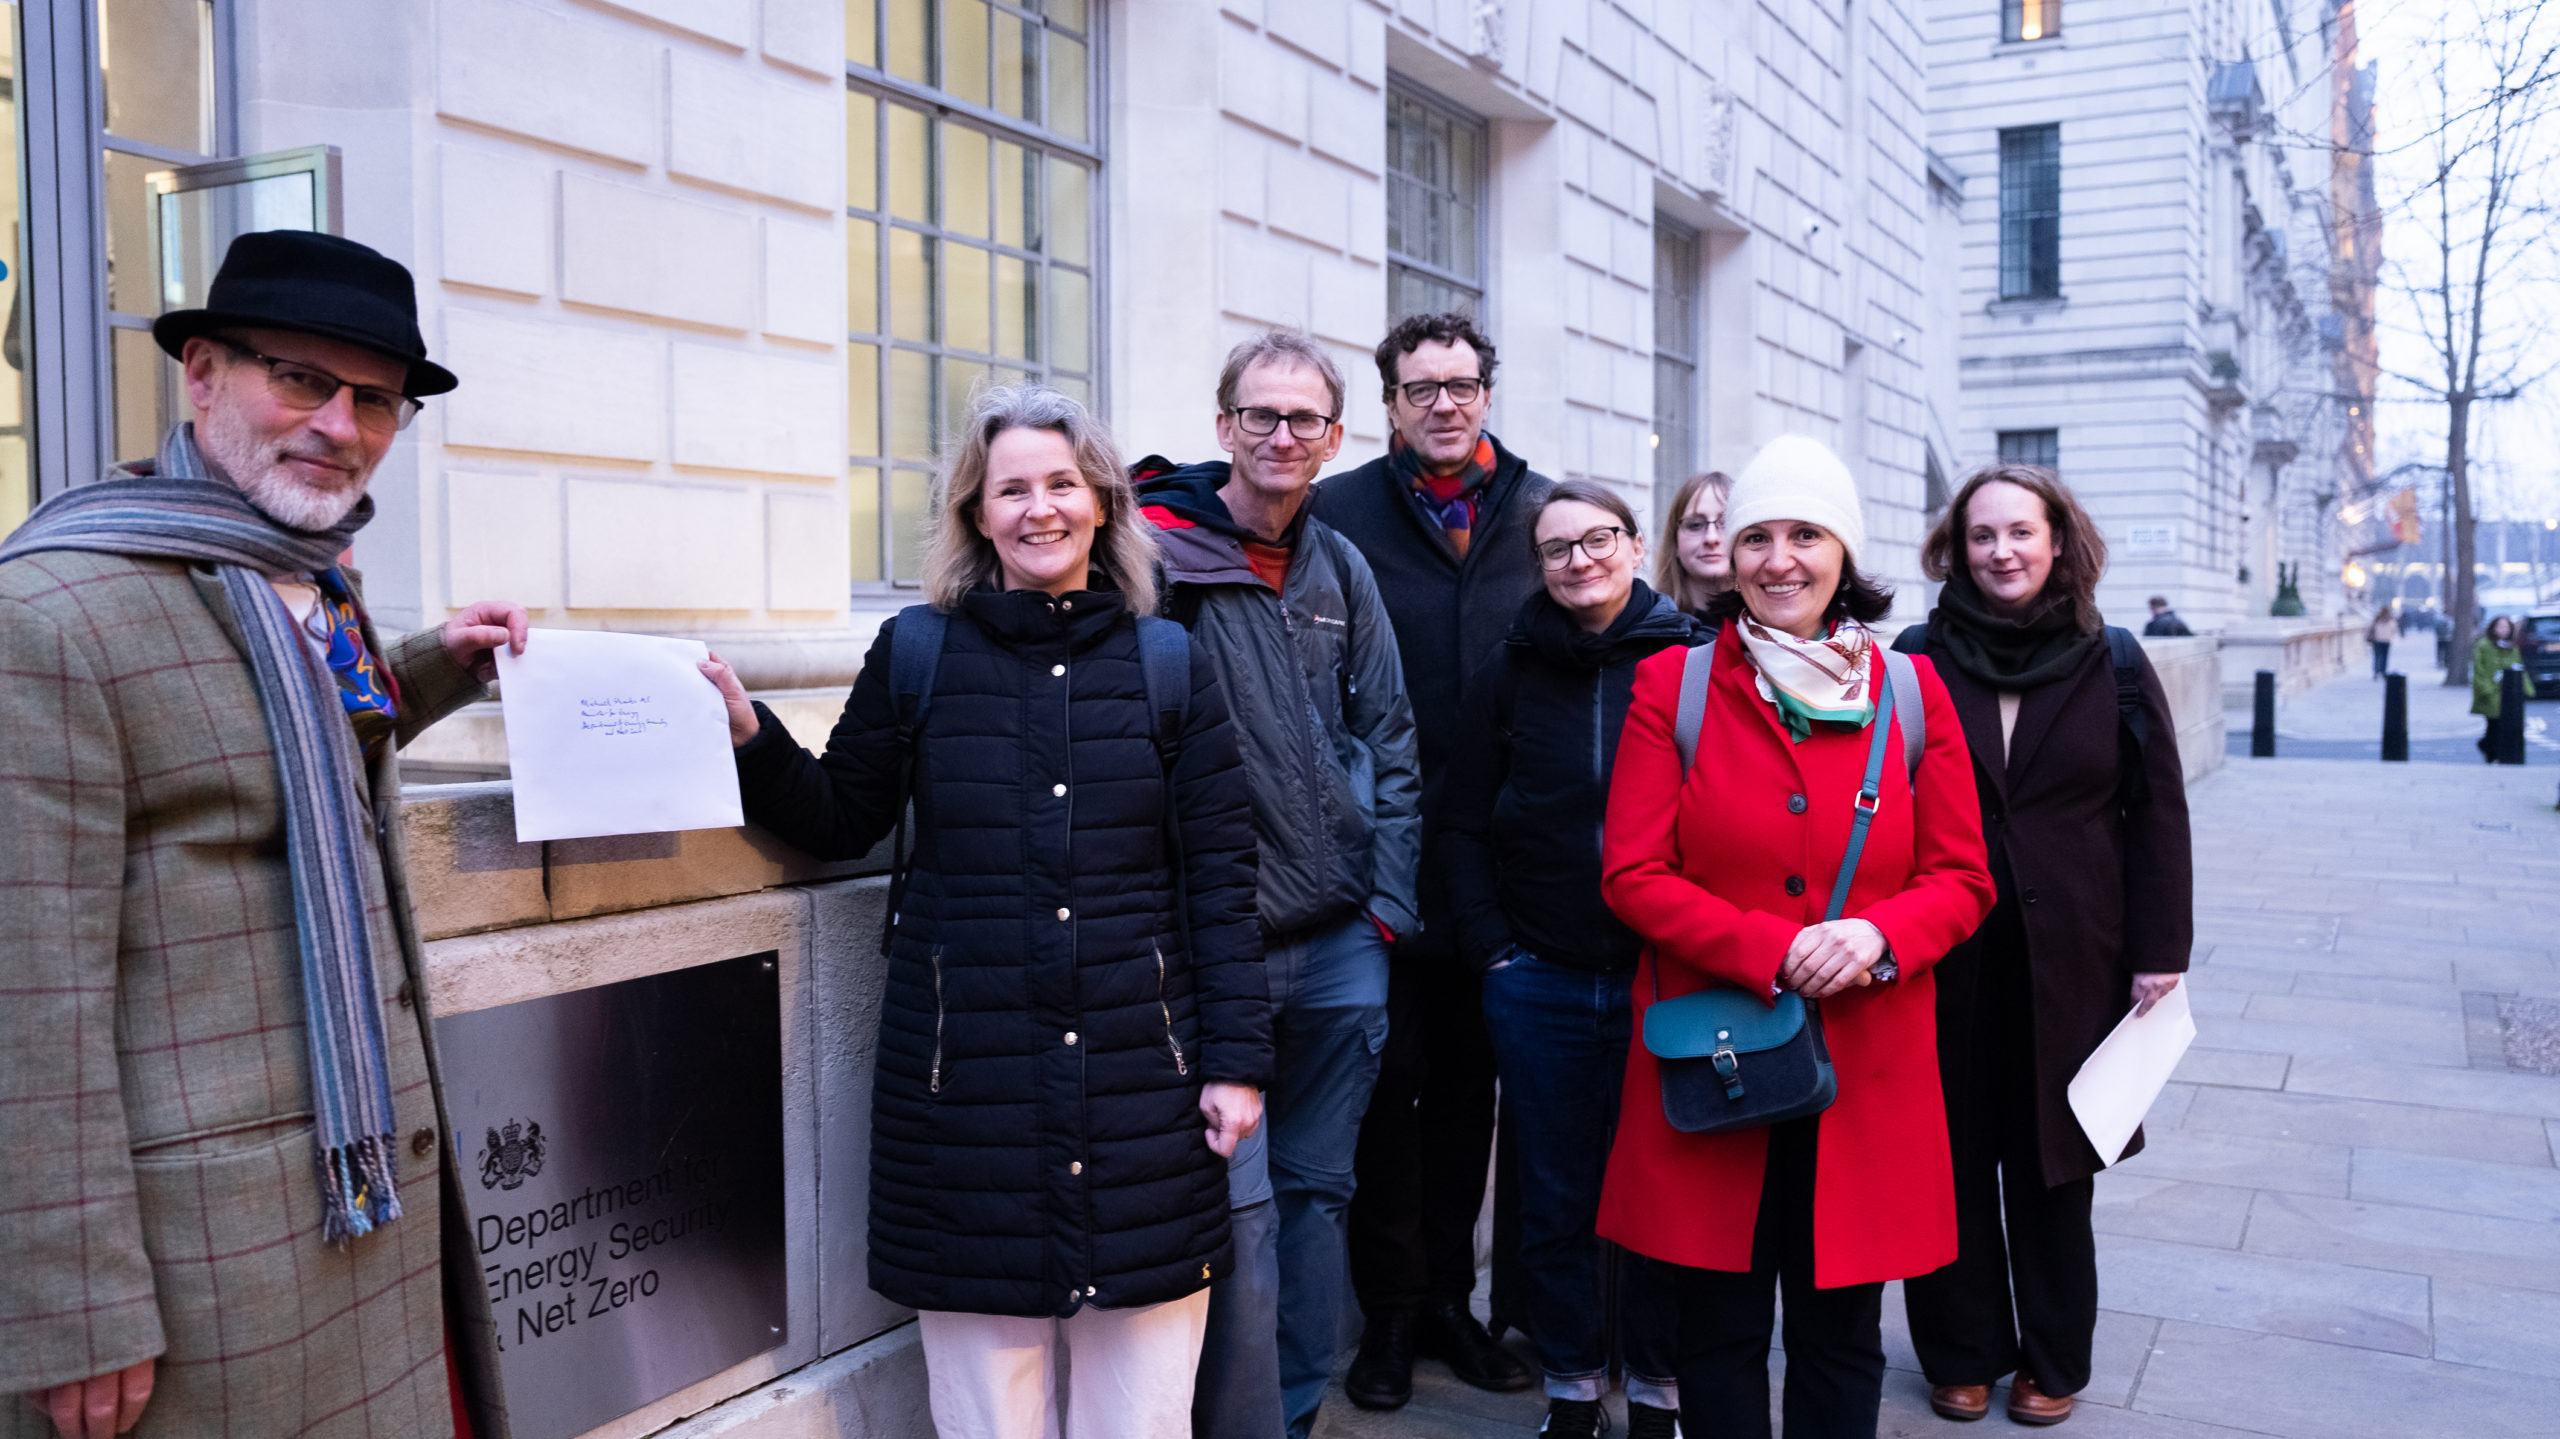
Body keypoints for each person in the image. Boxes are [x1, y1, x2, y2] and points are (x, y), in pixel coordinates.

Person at [0, 230, 528, 1438]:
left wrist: (438, 665)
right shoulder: (48, 616)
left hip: (366, 1207)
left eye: (376, 399)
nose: (338, 424)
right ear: (200, 373)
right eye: (299, 378)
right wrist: (74, 1305)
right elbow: (28, 991)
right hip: (207, 1259)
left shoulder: (308, 580)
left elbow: (280, 735)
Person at [698, 385, 1270, 1439]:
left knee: (1139, 1417)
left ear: (1102, 502)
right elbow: (837, 815)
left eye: (1060, 483)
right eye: (1010, 488)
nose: (1038, 508)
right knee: (985, 1420)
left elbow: (1220, 883)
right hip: (964, 1098)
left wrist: (1235, 1063)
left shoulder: (1168, 664)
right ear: (975, 513)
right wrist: (749, 734)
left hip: (1144, 1088)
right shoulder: (918, 653)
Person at [1596, 435, 1996, 1439]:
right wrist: (1766, 945)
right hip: (1721, 1042)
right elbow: (1632, 873)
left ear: (1843, 556)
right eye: (1757, 536)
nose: (1779, 558)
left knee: (1840, 1328)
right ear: (1727, 556)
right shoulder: (1672, 687)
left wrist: (1875, 934)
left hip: (1866, 1060)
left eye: (1805, 534)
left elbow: (1962, 877)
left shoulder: (1912, 692)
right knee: (1718, 1326)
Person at [1134, 331, 1422, 1439]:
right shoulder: (1159, 560)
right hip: (1222, 945)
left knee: (1316, 1196)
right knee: (1240, 1212)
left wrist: (1388, 908)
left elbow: (1389, 736)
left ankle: (1295, 1410)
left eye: (1305, 419)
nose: (1282, 435)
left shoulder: (1338, 566)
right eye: (1261, 415)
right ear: (1224, 428)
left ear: (1335, 437)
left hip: (1346, 937)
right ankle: (1229, 1420)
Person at [1891, 464, 2193, 1427]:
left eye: (2021, 532)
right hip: (1946, 955)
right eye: (1982, 536)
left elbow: (2157, 816)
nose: (2002, 552)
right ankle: (1961, 1352)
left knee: (2056, 1168)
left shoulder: (2114, 659)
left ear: (2059, 540)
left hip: (2076, 958)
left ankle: (2054, 1358)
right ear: (1957, 548)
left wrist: (2161, 948)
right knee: (1949, 1160)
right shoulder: (1916, 654)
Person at [1310, 311, 1550, 1407]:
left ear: (1487, 393)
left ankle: (1454, 1299)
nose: (1442, 403)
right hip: (1377, 860)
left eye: (1460, 384)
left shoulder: (1543, 512)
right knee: (1382, 1089)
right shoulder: (1339, 511)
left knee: (1470, 1092)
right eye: (1420, 388)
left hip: (1502, 867)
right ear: (1390, 404)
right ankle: (1390, 1314)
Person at [1441, 482, 1704, 1439]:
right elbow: (1463, 820)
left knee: (1664, 1197)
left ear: (1635, 547)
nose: (1578, 560)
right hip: (1539, 976)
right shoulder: (1508, 672)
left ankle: (1662, 1391)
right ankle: (1573, 1388)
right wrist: (1494, 951)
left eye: (1598, 539)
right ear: (1538, 566)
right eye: (1556, 549)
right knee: (1552, 1198)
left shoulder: (1693, 662)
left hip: (1662, 978)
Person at [1656, 469, 1735, 615]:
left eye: (1725, 523)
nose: (1711, 538)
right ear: (1675, 542)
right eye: (1695, 525)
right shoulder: (1649, 627)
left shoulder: (1770, 628)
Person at [2473, 615, 2537, 761]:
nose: (2503, 630)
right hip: (2490, 692)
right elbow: (2478, 669)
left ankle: (2492, 751)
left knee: (2502, 724)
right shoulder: (2484, 645)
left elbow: (2520, 668)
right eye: (2500, 627)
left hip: (2508, 693)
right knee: (2493, 723)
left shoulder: (2512, 648)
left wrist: (2528, 689)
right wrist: (2485, 688)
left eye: (2506, 627)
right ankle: (2490, 752)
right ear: (2493, 628)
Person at [2367, 605, 2400, 678]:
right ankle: (2383, 671)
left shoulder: (2377, 619)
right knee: (2384, 657)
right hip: (2385, 641)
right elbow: (2394, 630)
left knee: (2377, 657)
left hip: (2377, 641)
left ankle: (2376, 671)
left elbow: (2370, 628)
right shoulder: (2391, 620)